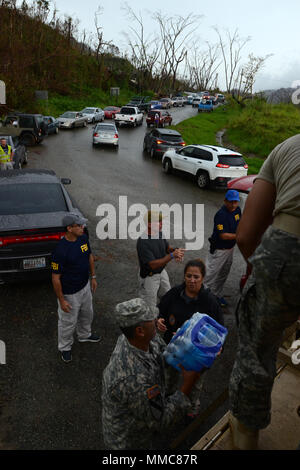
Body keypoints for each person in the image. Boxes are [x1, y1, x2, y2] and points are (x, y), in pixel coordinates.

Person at [228, 134, 300, 450]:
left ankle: (245, 433)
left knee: (257, 351)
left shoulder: (288, 147)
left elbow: (245, 235)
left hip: (289, 252)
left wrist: (269, 283)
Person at [102, 298, 203, 450]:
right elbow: (161, 420)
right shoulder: (134, 379)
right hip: (129, 442)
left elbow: (164, 354)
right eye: (151, 319)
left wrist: (184, 342)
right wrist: (187, 385)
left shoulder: (139, 338)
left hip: (141, 422)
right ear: (140, 331)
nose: (156, 320)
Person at [157, 259, 224, 417]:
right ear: (184, 276)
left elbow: (220, 329)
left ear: (203, 278)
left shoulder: (210, 301)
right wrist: (158, 319)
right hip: (173, 349)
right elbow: (161, 309)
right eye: (188, 276)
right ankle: (167, 402)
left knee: (194, 384)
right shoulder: (174, 294)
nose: (192, 280)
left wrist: (220, 347)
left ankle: (191, 407)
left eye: (196, 277)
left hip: (196, 355)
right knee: (169, 378)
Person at [51, 213, 100, 363]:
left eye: (82, 225)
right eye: (79, 225)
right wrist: (62, 300)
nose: (82, 227)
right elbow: (55, 278)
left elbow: (89, 256)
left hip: (85, 286)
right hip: (70, 293)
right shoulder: (60, 250)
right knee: (68, 322)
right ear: (69, 228)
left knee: (87, 313)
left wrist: (93, 277)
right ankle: (65, 347)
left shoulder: (83, 238)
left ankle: (84, 335)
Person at [136, 210, 185, 314]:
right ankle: (150, 327)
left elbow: (167, 248)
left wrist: (175, 250)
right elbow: (152, 265)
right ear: (149, 224)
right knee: (149, 307)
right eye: (158, 221)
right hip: (149, 277)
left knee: (168, 296)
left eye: (161, 221)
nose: (161, 223)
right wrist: (171, 256)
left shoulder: (159, 233)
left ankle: (164, 319)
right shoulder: (143, 241)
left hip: (161, 272)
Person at [204, 189, 241, 307]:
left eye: (236, 202)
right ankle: (202, 299)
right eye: (231, 202)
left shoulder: (238, 210)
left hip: (230, 249)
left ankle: (216, 295)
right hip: (219, 250)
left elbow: (241, 223)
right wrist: (240, 236)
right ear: (225, 201)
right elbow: (223, 235)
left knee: (223, 273)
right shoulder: (221, 215)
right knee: (210, 275)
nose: (233, 204)